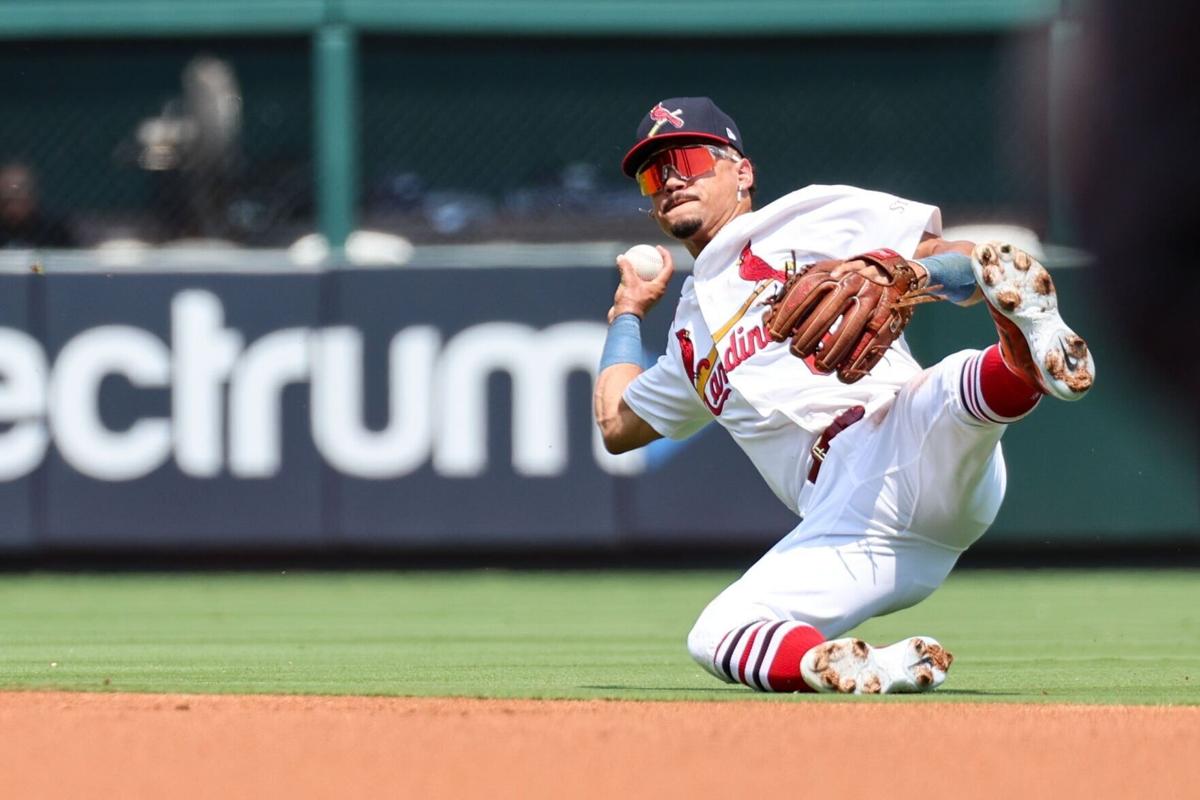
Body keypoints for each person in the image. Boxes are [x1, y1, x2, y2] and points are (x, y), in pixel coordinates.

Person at [594, 97, 1094, 694]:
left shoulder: (808, 216)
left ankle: (1026, 353)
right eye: (655, 173)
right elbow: (616, 425)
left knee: (948, 391)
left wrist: (913, 274)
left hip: (898, 433)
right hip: (848, 526)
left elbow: (968, 264)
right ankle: (865, 667)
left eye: (691, 158)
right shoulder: (685, 339)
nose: (673, 178)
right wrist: (627, 310)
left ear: (742, 172)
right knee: (716, 634)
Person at [0, 161, 76, 249]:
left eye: (19, 199)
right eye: (7, 200)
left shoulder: (51, 228)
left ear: (32, 198)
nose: (13, 207)